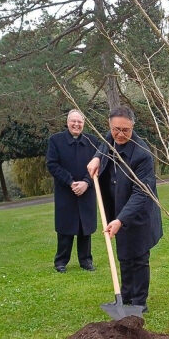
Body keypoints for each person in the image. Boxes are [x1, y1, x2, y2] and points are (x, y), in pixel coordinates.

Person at [87, 106, 162, 312]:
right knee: (124, 255)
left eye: (125, 130)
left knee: (138, 256)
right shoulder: (110, 139)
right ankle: (125, 297)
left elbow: (141, 193)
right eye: (116, 129)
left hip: (138, 213)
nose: (120, 134)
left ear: (133, 127)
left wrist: (121, 219)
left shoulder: (142, 155)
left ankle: (139, 303)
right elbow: (104, 143)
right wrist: (96, 157)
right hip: (116, 209)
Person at [46, 109, 98, 273]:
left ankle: (86, 260)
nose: (76, 124)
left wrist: (86, 182)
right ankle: (61, 261)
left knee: (85, 227)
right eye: (73, 121)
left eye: (79, 122)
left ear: (84, 123)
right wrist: (70, 182)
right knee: (65, 228)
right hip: (66, 191)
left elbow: (99, 165)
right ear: (67, 122)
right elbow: (52, 164)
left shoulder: (92, 141)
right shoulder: (55, 141)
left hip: (86, 190)